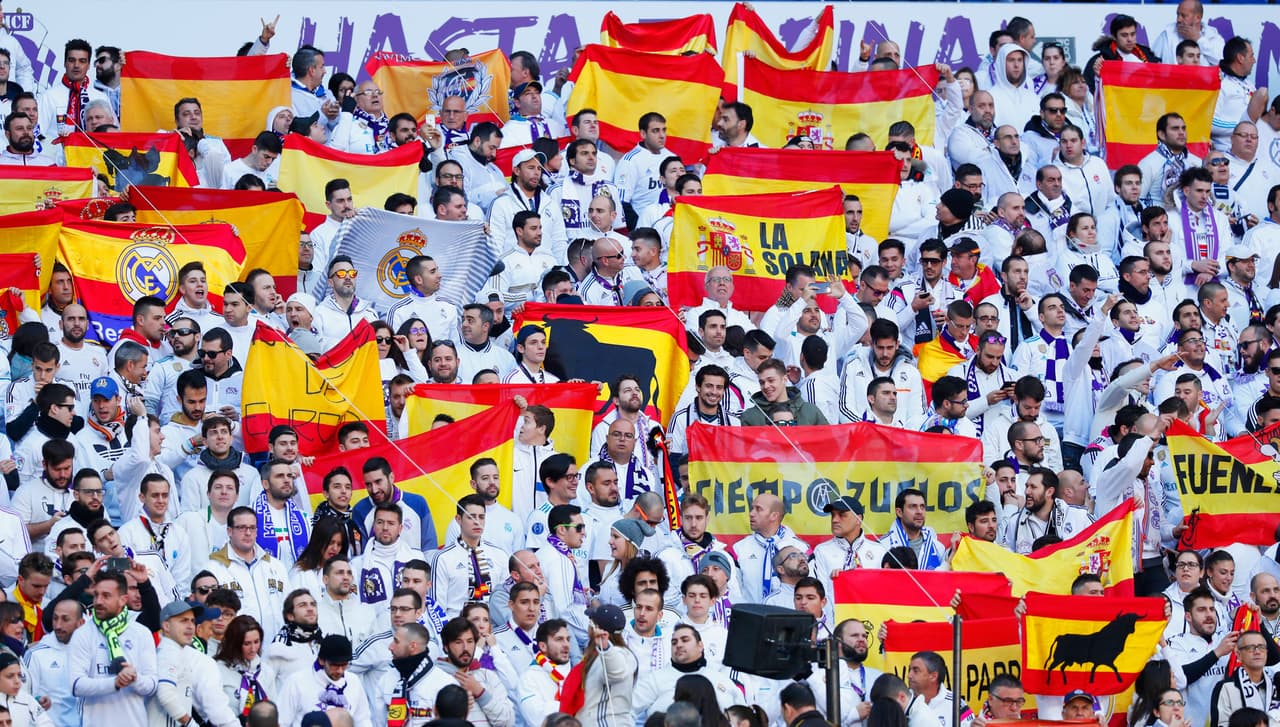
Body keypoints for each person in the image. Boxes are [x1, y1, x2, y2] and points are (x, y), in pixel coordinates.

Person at [69, 571, 158, 725]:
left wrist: (135, 679)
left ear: (123, 599)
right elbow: (76, 685)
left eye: (106, 596)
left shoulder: (141, 633)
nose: (98, 601)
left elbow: (152, 686)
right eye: (96, 595)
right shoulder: (82, 634)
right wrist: (115, 683)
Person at [275, 634, 370, 727]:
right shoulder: (297, 681)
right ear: (321, 660)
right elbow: (282, 721)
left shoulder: (353, 681)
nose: (340, 670)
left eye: (344, 665)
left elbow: (362, 720)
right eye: (335, 665)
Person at [215, 614, 276, 722]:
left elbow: (273, 709)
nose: (253, 649)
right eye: (247, 643)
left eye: (256, 642)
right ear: (235, 644)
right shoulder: (218, 670)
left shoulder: (266, 671)